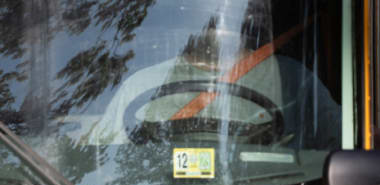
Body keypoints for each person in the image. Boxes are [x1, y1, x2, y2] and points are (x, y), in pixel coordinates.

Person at [88, 13, 339, 151]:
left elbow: (342, 146)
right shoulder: (140, 85)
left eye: (227, 10)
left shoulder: (293, 80)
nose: (218, 19)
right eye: (203, 10)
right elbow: (103, 159)